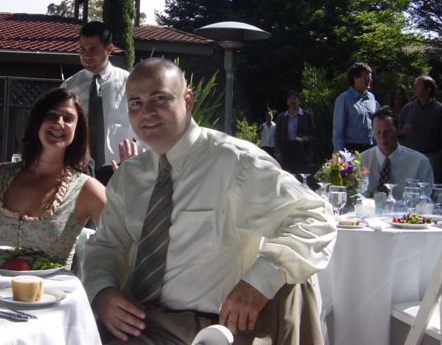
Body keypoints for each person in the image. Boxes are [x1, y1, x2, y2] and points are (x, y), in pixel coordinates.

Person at [83, 58, 336, 345]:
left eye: (160, 98)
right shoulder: (129, 177)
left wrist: (259, 282)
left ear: (187, 100)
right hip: (132, 321)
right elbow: (107, 245)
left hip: (204, 327)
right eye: (135, 103)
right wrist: (101, 291)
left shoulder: (236, 164)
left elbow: (316, 217)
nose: (147, 112)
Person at [0, 88, 106, 266]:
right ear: (37, 121)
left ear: (77, 130)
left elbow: (118, 245)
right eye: (51, 116)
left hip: (53, 284)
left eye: (68, 119)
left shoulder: (87, 189)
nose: (59, 123)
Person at [61, 20, 135, 185]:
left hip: (118, 167)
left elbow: (139, 125)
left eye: (93, 50)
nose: (86, 55)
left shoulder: (129, 83)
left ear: (109, 49)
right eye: (82, 49)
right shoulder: (69, 87)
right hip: (79, 167)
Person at [360, 107, 434, 200]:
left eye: (388, 132)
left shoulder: (420, 162)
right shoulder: (362, 160)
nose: (383, 137)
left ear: (398, 130)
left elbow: (426, 199)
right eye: (378, 132)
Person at [399, 76, 442, 183]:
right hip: (410, 156)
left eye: (417, 86)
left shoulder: (441, 111)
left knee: (430, 186)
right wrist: (402, 132)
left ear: (428, 89)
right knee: (409, 187)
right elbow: (395, 132)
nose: (413, 88)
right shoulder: (407, 109)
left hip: (432, 157)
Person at [332, 62, 379, 153]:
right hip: (351, 149)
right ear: (355, 78)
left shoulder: (372, 98)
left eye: (370, 77)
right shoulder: (344, 99)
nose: (370, 80)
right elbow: (338, 131)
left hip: (370, 149)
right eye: (366, 77)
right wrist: (338, 155)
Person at [274, 90, 315, 174]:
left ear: (299, 101)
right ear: (287, 102)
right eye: (289, 99)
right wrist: (278, 152)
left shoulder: (307, 115)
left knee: (301, 177)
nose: (292, 101)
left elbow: (314, 134)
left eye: (294, 98)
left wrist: (307, 138)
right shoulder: (281, 117)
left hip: (302, 152)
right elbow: (277, 136)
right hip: (286, 152)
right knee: (288, 177)